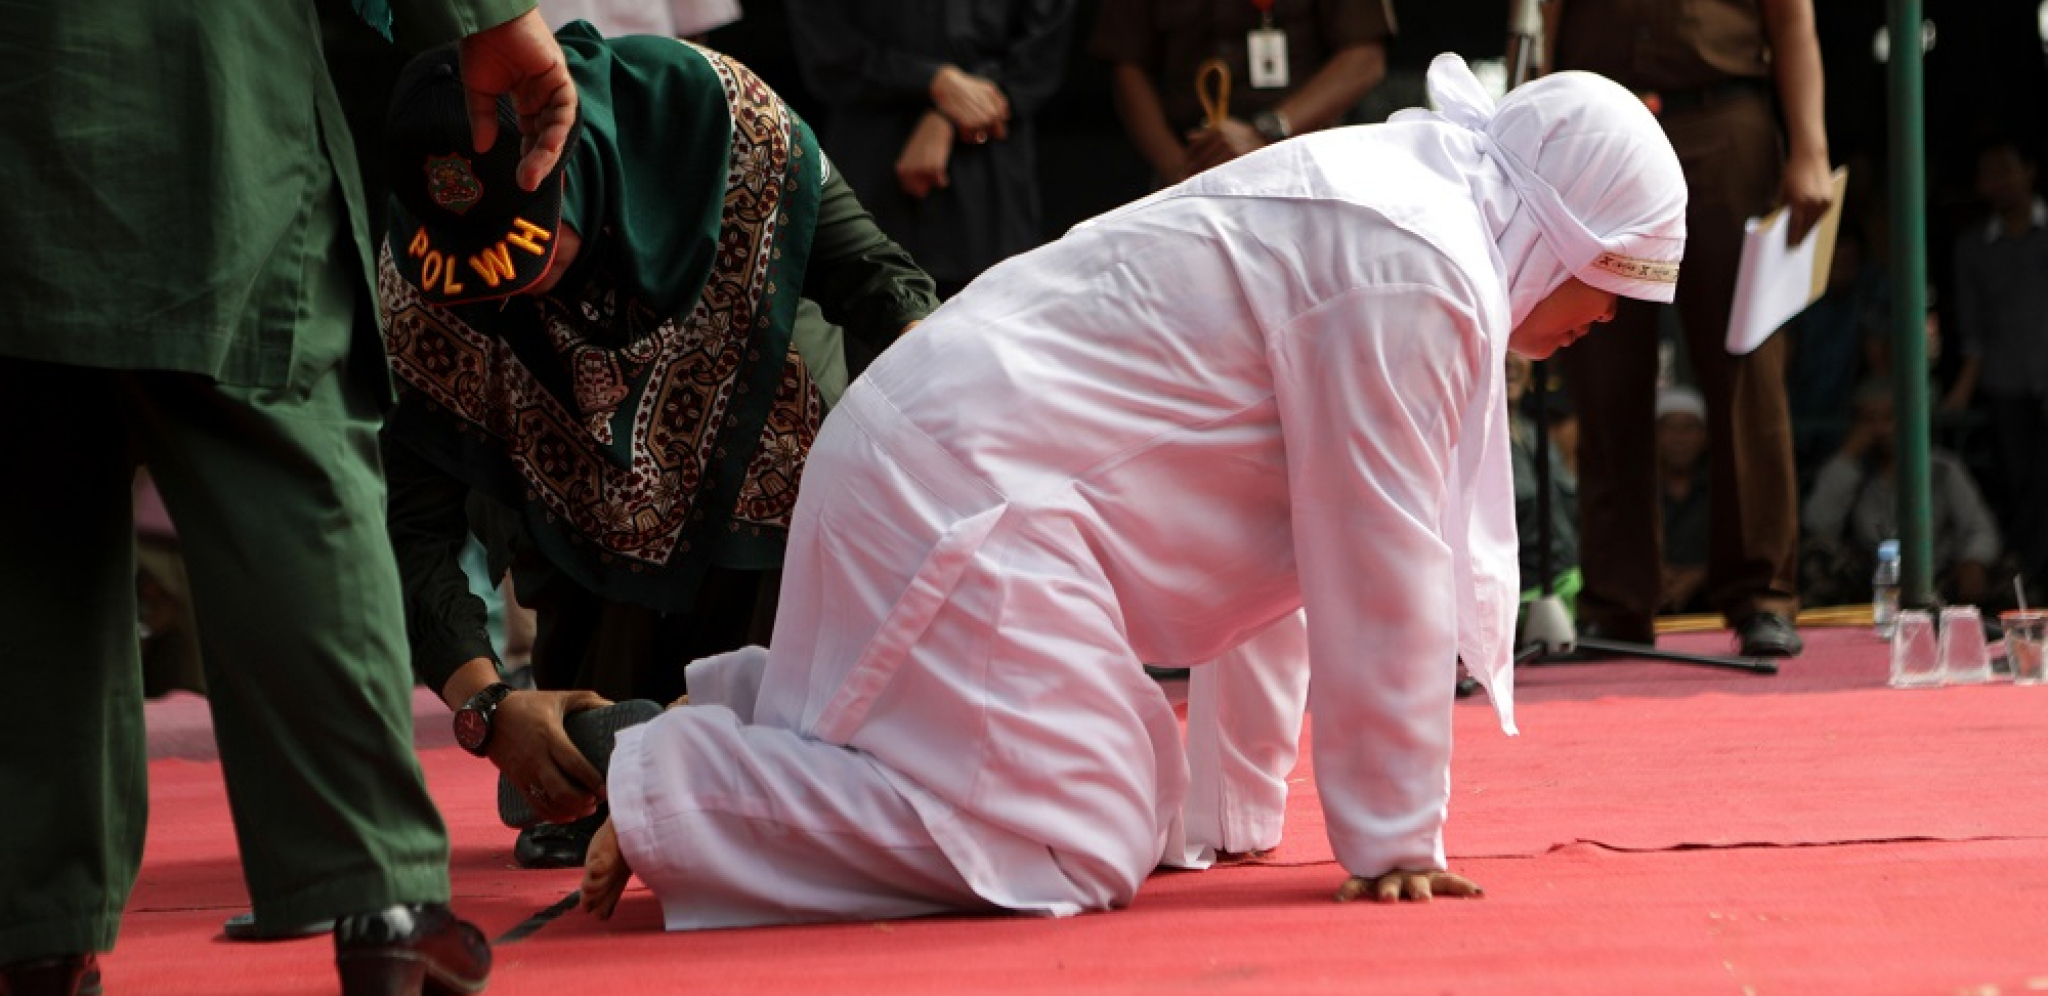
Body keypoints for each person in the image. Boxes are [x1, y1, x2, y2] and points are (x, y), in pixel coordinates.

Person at [570, 54, 1687, 928]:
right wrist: (1394, 840)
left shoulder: (1403, 209)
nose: (1606, 319)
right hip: (963, 489)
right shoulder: (1417, 263)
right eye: (1610, 278)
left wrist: (1230, 816)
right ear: (1553, 227)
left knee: (1140, 794)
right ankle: (682, 785)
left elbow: (1300, 545)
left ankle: (744, 716)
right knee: (1075, 841)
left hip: (948, 469)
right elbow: (1372, 559)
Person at [0, 2, 575, 995]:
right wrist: (483, 15)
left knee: (27, 511)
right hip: (190, 82)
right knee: (284, 447)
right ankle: (381, 896)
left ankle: (34, 933)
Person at [378, 25, 939, 870]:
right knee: (593, 760)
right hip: (574, 512)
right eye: (481, 277)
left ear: (560, 163)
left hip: (770, 443)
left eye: (526, 257)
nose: (511, 294)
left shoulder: (721, 121)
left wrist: (942, 485)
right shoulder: (425, 277)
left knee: (780, 753)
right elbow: (411, 528)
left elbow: (886, 292)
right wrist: (488, 709)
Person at [1549, 0, 1832, 658]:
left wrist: (1810, 146)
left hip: (1723, 118)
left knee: (1747, 358)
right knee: (1603, 361)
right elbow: (1542, 18)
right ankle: (1615, 600)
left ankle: (1761, 591)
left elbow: (1792, 17)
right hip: (1599, 131)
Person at [787, 0, 1080, 300]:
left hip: (988, 182)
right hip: (870, 166)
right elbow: (827, 51)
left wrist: (947, 115)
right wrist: (934, 80)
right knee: (871, 307)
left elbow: (1041, 54)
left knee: (990, 316)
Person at [1088, 0, 1396, 186]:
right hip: (1190, 164)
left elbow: (1364, 59)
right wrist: (1177, 169)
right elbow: (1127, 65)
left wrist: (1266, 132)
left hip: (1300, 163)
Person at [1944, 137, 2048, 594]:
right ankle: (2022, 576)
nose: (1998, 183)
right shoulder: (1973, 247)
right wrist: (1963, 387)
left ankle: (2023, 571)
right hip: (2007, 379)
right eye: (1989, 175)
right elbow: (1973, 327)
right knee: (2018, 478)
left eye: (2006, 169)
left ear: (2030, 171)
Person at [1802, 382, 2005, 608]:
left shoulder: (1942, 468)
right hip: (1872, 580)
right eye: (1869, 420)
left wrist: (1973, 561)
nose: (1880, 429)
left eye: (1889, 418)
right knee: (1817, 558)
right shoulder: (1851, 472)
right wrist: (1847, 457)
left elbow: (1980, 528)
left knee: (2005, 571)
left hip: (1938, 574)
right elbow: (1818, 525)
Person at [1654, 386, 1712, 615]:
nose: (1679, 438)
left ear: (1704, 435)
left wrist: (1700, 575)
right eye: (1670, 428)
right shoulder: (1640, 492)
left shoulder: (1722, 489)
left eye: (1689, 428)